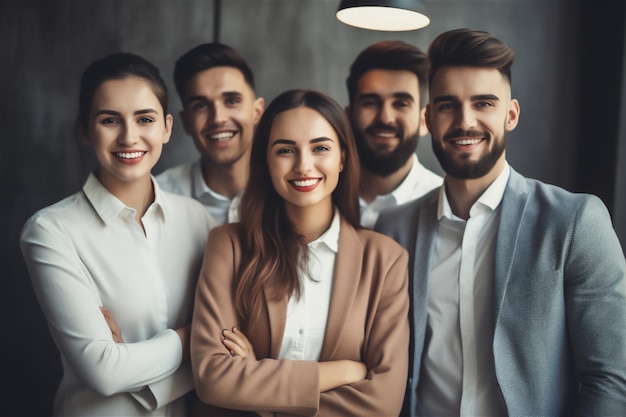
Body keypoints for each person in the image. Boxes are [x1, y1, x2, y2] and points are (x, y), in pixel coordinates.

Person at [375, 28, 626, 416]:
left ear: (511, 114)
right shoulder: (391, 230)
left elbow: (610, 379)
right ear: (428, 118)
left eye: (483, 103)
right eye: (447, 105)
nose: (465, 121)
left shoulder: (574, 223)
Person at [190, 89, 410, 416]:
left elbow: (383, 403)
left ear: (343, 158)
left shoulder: (385, 260)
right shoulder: (229, 245)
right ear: (265, 159)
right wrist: (341, 372)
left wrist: (262, 398)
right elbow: (213, 378)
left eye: (320, 148)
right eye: (285, 150)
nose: (303, 165)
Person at [20, 53, 215, 416]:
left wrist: (130, 359)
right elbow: (104, 372)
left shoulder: (198, 219)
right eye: (110, 120)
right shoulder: (50, 231)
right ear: (84, 130)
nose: (129, 136)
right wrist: (196, 337)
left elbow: (232, 347)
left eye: (145, 119)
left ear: (167, 128)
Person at [156, 42, 265, 225]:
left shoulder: (287, 191)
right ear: (186, 122)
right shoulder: (159, 197)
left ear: (257, 112)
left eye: (231, 101)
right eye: (200, 106)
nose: (218, 118)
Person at [346, 40, 442, 228]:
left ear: (425, 121)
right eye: (370, 102)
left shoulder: (445, 207)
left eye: (401, 104)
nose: (385, 118)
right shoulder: (319, 196)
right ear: (348, 117)